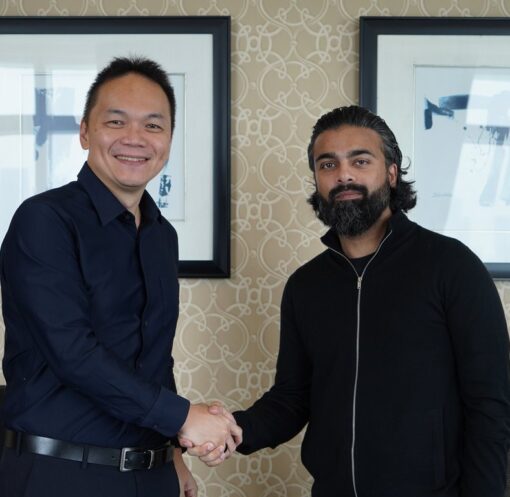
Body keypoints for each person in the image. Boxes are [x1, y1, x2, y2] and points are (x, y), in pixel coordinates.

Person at [184, 105, 510, 497]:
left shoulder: (452, 266)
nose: (344, 175)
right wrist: (233, 430)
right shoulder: (305, 286)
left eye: (360, 161)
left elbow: (491, 404)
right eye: (328, 164)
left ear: (391, 172)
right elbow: (292, 398)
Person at [0, 56, 241, 497]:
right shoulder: (45, 220)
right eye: (116, 121)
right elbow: (73, 353)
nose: (135, 138)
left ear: (168, 139)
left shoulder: (161, 235)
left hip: (151, 474)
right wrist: (183, 417)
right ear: (85, 132)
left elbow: (155, 359)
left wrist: (174, 453)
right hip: (59, 473)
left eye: (153, 125)